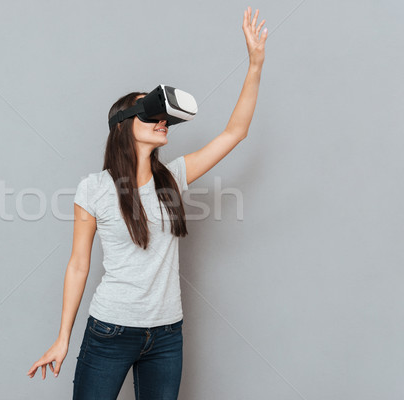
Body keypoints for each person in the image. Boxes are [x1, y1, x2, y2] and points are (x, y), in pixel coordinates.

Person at [27, 7, 268, 399]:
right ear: (126, 124)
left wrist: (255, 64)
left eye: (165, 118)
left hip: (167, 334)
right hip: (111, 331)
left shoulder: (172, 177)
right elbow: (78, 264)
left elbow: (235, 132)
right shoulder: (94, 189)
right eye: (153, 114)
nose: (162, 122)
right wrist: (62, 338)